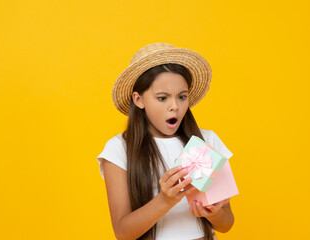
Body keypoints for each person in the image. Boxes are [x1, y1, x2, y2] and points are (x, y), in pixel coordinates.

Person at [97, 43, 235, 240]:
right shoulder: (119, 149)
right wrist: (165, 200)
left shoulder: (207, 140)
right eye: (162, 98)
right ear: (139, 100)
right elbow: (122, 232)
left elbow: (227, 223)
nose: (175, 106)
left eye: (182, 97)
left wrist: (214, 213)